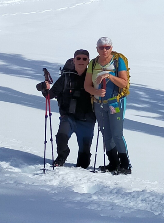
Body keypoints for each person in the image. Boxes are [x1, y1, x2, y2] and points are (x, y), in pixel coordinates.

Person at [37, 49, 96, 168]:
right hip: (68, 117)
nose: (81, 61)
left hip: (87, 119)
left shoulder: (93, 78)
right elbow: (49, 95)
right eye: (78, 58)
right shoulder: (66, 77)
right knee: (61, 137)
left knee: (84, 161)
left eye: (84, 59)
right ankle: (62, 156)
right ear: (74, 60)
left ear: (88, 61)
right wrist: (43, 88)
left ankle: (83, 161)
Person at [84, 37, 131, 174]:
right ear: (97, 49)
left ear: (111, 48)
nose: (104, 50)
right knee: (106, 134)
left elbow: (124, 83)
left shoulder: (118, 61)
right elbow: (87, 85)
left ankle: (125, 164)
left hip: (115, 102)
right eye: (101, 47)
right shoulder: (93, 63)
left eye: (107, 47)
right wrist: (95, 92)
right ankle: (113, 163)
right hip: (99, 103)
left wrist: (109, 76)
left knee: (117, 134)